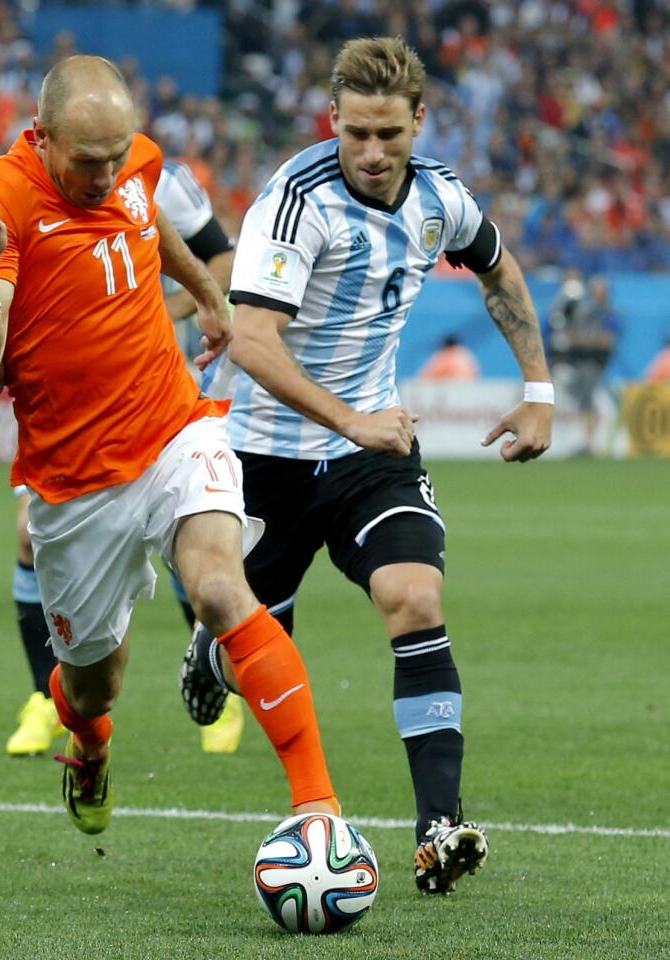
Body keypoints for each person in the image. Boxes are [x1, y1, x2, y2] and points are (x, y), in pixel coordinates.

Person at [178, 37, 554, 896]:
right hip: (265, 456)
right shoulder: (293, 201)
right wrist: (351, 418)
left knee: (413, 596)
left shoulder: (440, 198)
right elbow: (251, 341)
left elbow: (497, 269)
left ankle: (438, 828)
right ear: (333, 123)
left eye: (389, 133)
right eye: (355, 134)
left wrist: (537, 388)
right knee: (254, 653)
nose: (373, 153)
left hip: (367, 458)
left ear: (419, 121)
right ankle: (213, 651)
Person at [0, 55, 341, 836]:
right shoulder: (0, 202)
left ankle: (317, 811)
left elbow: (145, 215)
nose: (104, 173)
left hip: (173, 427)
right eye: (85, 161)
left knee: (221, 589)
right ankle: (89, 749)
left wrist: (204, 291)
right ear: (42, 136)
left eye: (114, 155)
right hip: (76, 481)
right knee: (95, 686)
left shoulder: (130, 157)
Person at [2, 157, 239, 758]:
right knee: (29, 538)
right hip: (67, 417)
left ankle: (211, 671)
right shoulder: (23, 189)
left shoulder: (158, 177)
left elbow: (222, 260)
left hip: (156, 393)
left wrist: (160, 310)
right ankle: (44, 697)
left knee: (195, 545)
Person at [548, 271, 618, 455]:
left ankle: (591, 442)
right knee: (586, 401)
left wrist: (582, 339)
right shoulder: (588, 311)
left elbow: (605, 340)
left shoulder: (608, 314)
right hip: (583, 361)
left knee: (588, 401)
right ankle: (590, 441)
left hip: (595, 362)